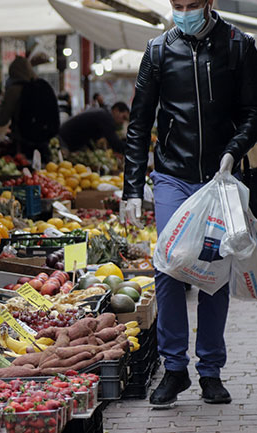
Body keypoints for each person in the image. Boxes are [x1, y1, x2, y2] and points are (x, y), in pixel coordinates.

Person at [121, 0, 257, 407]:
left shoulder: (238, 45)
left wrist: (234, 150)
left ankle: (211, 371)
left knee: (213, 269)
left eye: (192, 4)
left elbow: (254, 112)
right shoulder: (158, 51)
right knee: (169, 264)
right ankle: (174, 368)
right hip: (172, 176)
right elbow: (139, 123)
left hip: (220, 178)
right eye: (177, 5)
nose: (184, 11)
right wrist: (131, 188)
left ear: (210, 3)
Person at [0, 56, 59, 162]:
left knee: (27, 172)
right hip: (45, 141)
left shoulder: (14, 90)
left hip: (23, 142)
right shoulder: (43, 86)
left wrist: (2, 101)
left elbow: (1, 120)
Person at [58, 102, 130, 153]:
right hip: (63, 140)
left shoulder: (103, 113)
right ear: (116, 110)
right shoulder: (106, 117)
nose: (123, 122)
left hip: (65, 138)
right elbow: (115, 143)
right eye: (123, 117)